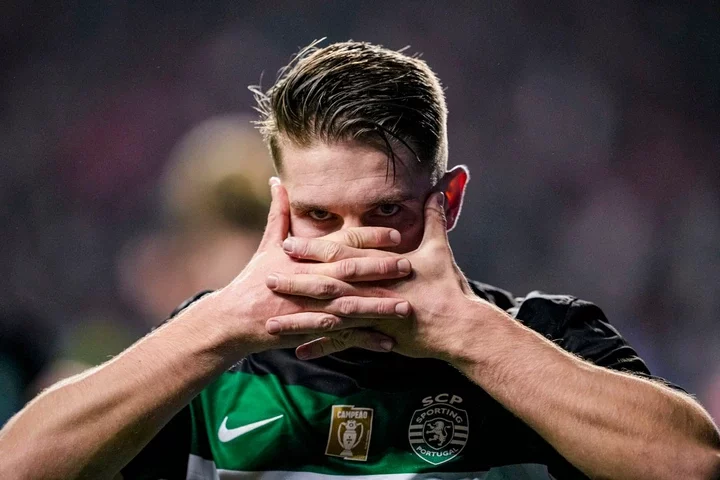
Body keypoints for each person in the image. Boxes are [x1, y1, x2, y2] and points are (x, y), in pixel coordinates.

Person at [1, 41, 719, 480]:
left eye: (385, 213)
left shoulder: (541, 339)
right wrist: (219, 323)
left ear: (451, 200)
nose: (349, 246)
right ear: (279, 205)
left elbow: (694, 465)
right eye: (319, 216)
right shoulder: (215, 359)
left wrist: (468, 333)